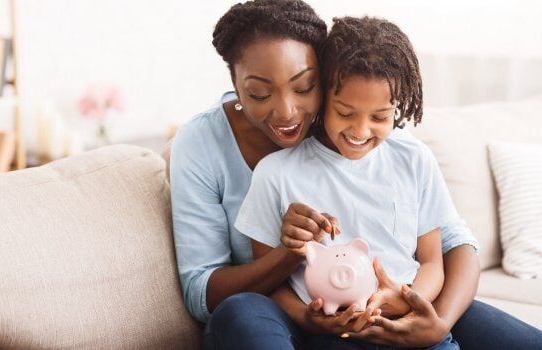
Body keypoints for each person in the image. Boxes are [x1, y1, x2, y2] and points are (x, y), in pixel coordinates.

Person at [169, 1, 542, 349]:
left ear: (326, 76)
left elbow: (447, 243)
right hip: (290, 314)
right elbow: (201, 289)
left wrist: (437, 317)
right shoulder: (216, 148)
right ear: (235, 82)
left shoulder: (385, 141)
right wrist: (292, 255)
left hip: (399, 300)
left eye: (304, 86)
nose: (286, 112)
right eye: (259, 92)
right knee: (243, 310)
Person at [235, 15, 459, 349]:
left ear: (397, 108)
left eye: (380, 117)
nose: (360, 131)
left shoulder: (414, 159)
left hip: (410, 327)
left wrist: (405, 299)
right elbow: (270, 281)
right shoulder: (277, 173)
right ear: (323, 96)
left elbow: (431, 262)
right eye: (344, 112)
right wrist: (306, 317)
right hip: (334, 333)